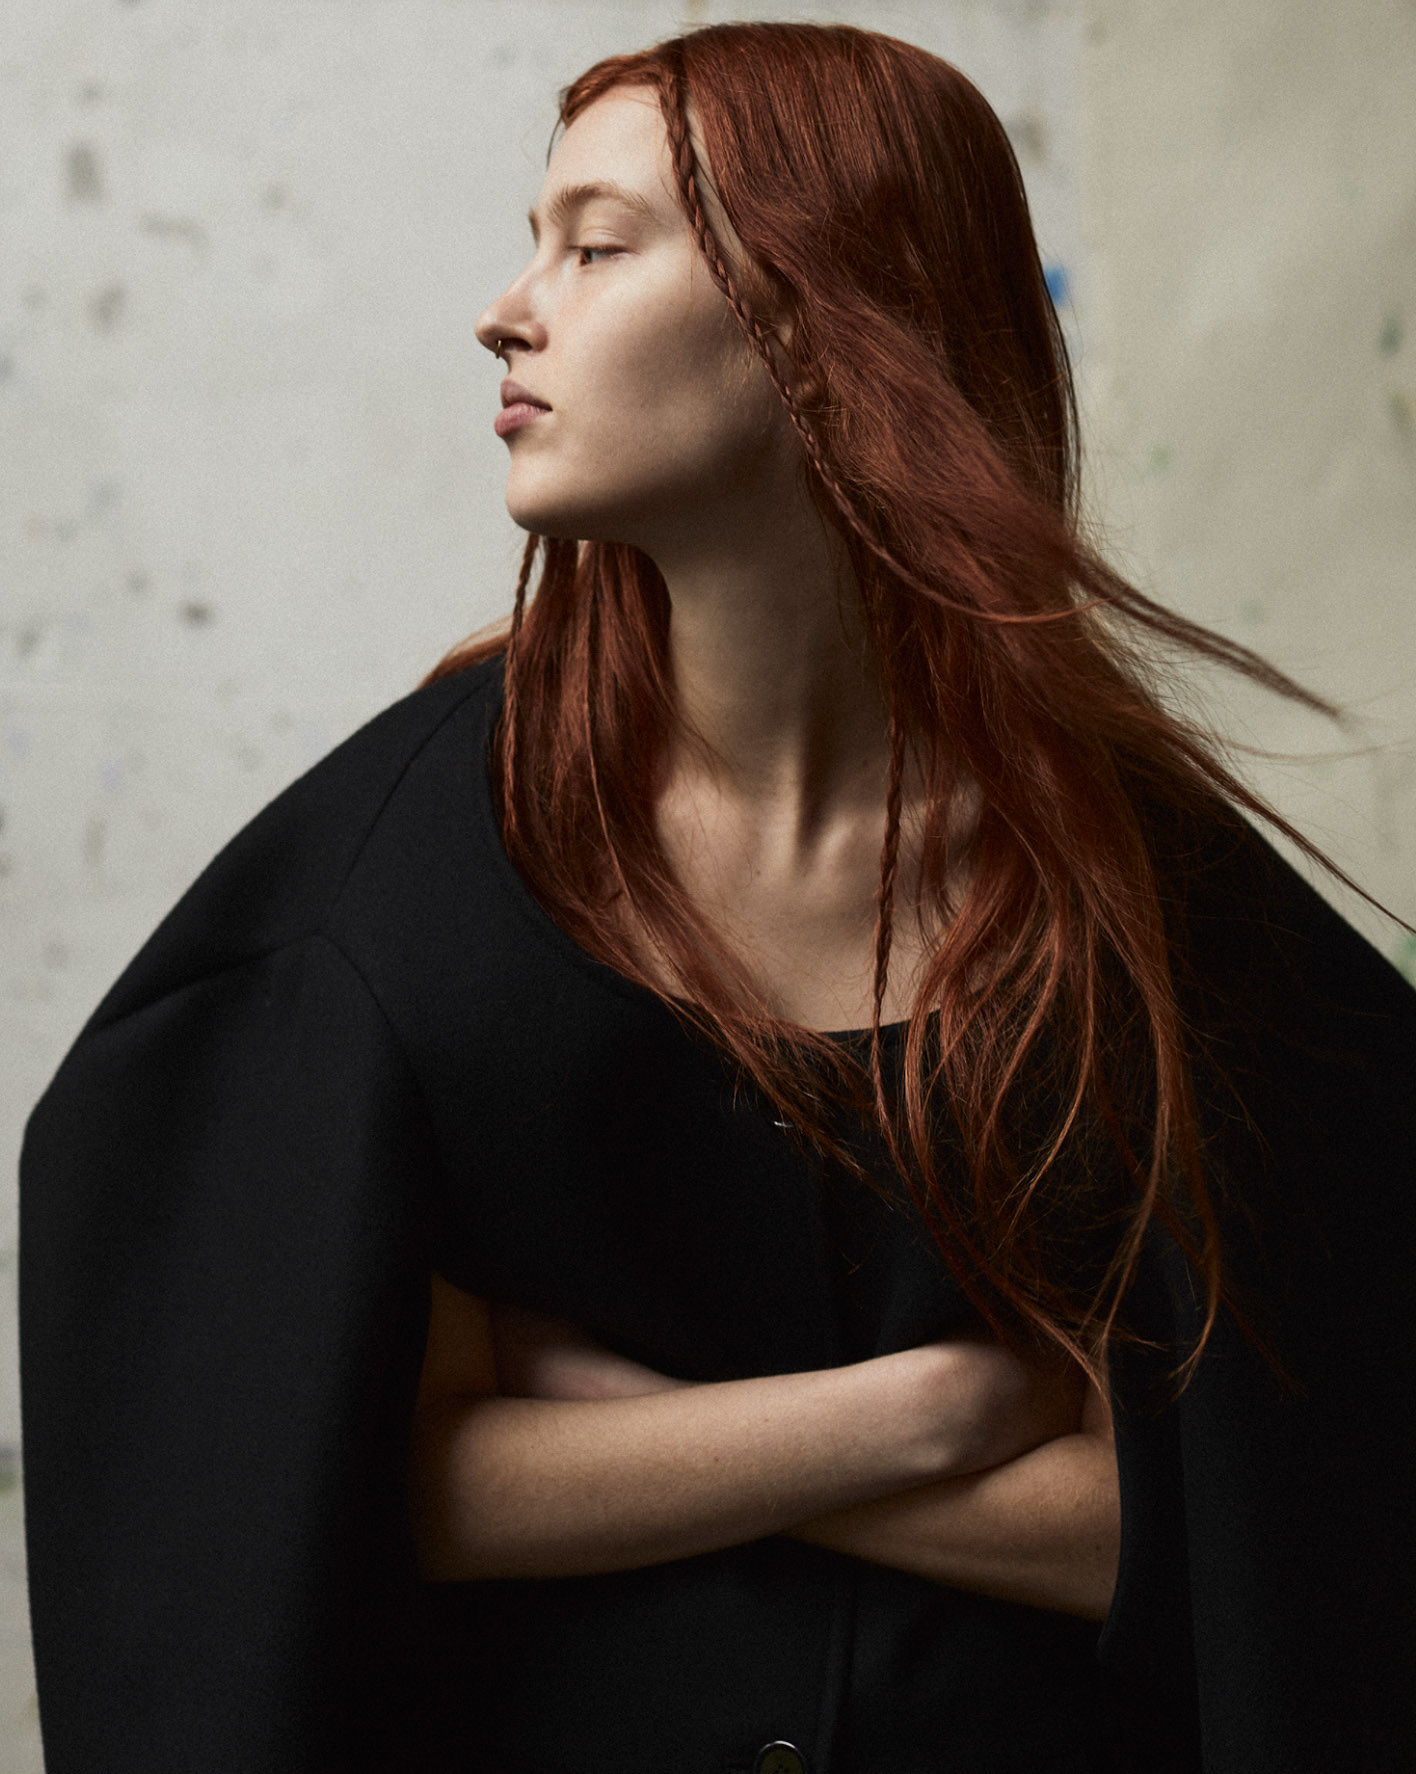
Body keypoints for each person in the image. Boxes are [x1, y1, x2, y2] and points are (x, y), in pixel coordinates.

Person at [17, 21, 1416, 1774]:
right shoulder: (409, 882)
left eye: (597, 248)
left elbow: (1278, 1548)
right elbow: (311, 1482)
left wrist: (625, 1437)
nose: (506, 312)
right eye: (536, 244)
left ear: (823, 322)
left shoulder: (1146, 907)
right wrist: (948, 1404)